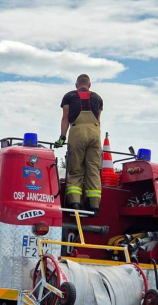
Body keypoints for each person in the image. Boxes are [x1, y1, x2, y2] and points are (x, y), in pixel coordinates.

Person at [55, 74, 104, 214]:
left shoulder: (69, 96)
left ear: (76, 85)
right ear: (89, 85)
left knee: (75, 169)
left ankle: (75, 203)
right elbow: (98, 120)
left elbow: (65, 118)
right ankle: (93, 205)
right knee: (93, 170)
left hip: (77, 132)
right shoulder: (98, 98)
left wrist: (62, 138)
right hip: (95, 133)